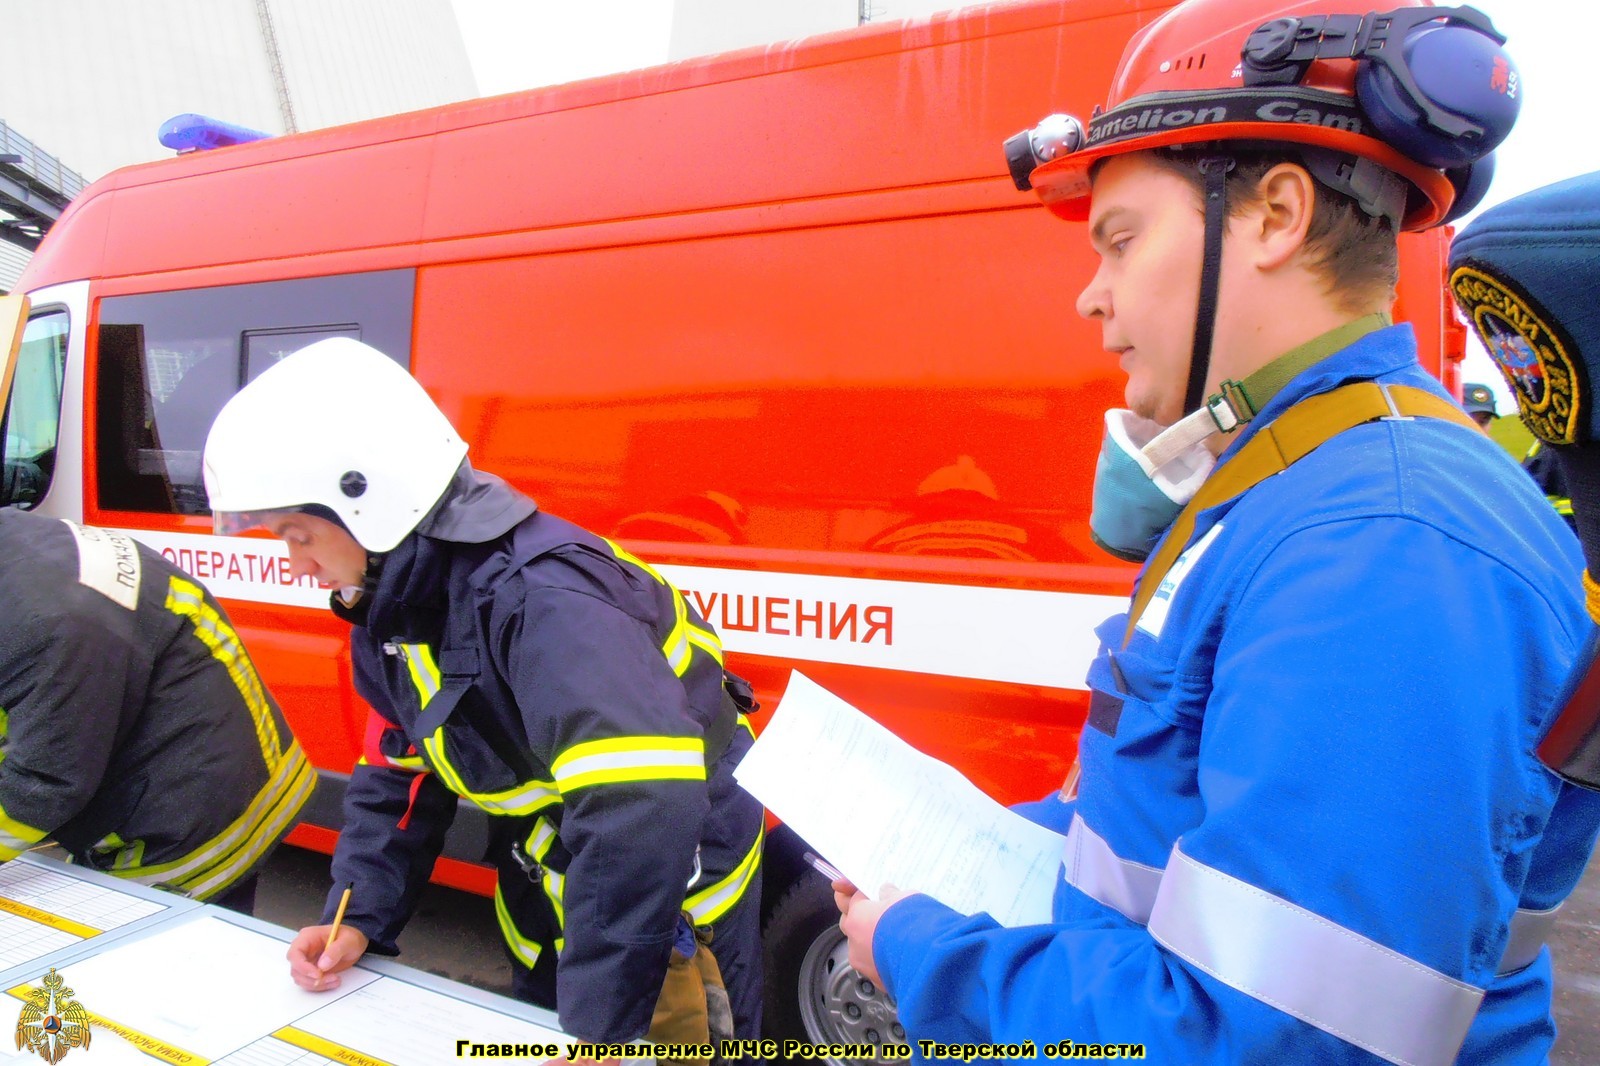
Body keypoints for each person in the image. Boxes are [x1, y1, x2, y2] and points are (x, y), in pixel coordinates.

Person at [834, 1, 1600, 1062]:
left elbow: (1261, 1038)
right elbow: (1167, 858)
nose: (1089, 297)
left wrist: (927, 951)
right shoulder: (1293, 492)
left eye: (1120, 238)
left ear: (1277, 214)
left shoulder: (1383, 542)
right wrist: (988, 849)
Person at [200, 337, 765, 1051]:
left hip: (669, 918)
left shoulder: (547, 604)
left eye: (298, 534)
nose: (294, 561)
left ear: (369, 505)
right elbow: (397, 774)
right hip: (565, 893)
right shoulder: (393, 606)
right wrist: (357, 917)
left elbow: (641, 813)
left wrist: (599, 1028)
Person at [0, 508, 313, 911]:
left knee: (156, 957)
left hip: (188, 814)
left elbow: (43, 781)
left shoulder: (46, 624)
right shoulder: (18, 546)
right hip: (193, 751)